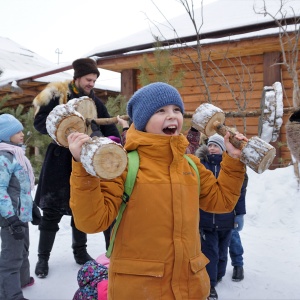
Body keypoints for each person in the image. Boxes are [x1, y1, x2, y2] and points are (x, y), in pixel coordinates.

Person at [67, 82, 247, 300]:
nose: (172, 116)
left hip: (190, 288)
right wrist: (82, 168)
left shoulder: (190, 165)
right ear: (143, 120)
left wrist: (234, 161)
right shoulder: (124, 165)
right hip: (139, 290)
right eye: (160, 110)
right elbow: (91, 221)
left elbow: (222, 202)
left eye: (176, 109)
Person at [32, 58, 121, 278]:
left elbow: (109, 126)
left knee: (80, 209)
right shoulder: (56, 95)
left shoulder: (94, 102)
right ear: (78, 77)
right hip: (58, 162)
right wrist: (61, 128)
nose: (92, 83)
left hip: (82, 162)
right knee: (51, 212)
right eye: (89, 79)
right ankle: (43, 258)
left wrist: (113, 143)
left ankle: (80, 253)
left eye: (94, 80)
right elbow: (39, 122)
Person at [195, 133, 248, 300]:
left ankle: (218, 276)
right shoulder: (202, 166)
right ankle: (209, 284)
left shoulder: (233, 167)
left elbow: (239, 193)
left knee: (223, 252)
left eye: (216, 145)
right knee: (210, 253)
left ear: (224, 148)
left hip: (226, 220)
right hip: (205, 220)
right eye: (210, 145)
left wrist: (239, 214)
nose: (211, 148)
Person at [0, 114, 36, 300]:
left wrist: (33, 207)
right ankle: (10, 294)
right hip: (11, 216)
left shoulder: (16, 154)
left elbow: (22, 186)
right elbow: (0, 191)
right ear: (6, 135)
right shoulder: (4, 158)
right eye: (17, 131)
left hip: (21, 214)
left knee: (23, 250)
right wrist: (11, 217)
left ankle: (22, 280)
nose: (22, 134)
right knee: (11, 256)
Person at [229, 172, 248, 282]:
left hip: (230, 206)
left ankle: (238, 265)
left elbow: (241, 190)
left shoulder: (234, 162)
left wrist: (239, 213)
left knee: (233, 235)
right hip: (209, 207)